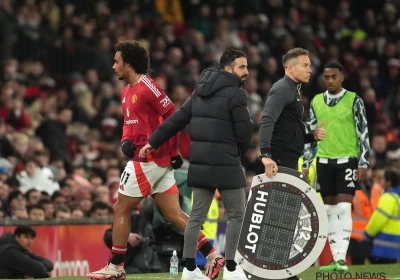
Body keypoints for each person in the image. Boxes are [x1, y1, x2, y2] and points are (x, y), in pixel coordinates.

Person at [86, 40, 222, 280]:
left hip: (148, 160)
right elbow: (129, 125)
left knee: (121, 208)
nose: (113, 66)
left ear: (128, 63)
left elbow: (174, 117)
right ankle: (212, 255)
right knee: (173, 213)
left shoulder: (148, 86)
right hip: (148, 160)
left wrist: (171, 153)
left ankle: (116, 266)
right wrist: (124, 141)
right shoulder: (127, 91)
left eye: (117, 61)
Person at [140, 49, 254, 280]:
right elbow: (245, 134)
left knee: (195, 218)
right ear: (229, 69)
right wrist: (238, 149)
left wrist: (153, 141)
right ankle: (231, 270)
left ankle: (190, 270)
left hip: (200, 165)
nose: (247, 72)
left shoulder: (198, 92)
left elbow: (175, 121)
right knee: (236, 216)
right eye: (242, 67)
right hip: (227, 164)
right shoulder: (236, 95)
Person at [259, 47, 326, 280]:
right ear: (291, 67)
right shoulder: (282, 89)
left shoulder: (293, 90)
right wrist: (265, 154)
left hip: (288, 157)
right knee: (281, 214)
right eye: (305, 65)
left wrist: (310, 136)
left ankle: (278, 269)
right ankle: (274, 270)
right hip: (279, 158)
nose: (310, 69)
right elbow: (267, 119)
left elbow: (287, 126)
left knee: (285, 215)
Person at [302, 62, 371, 271]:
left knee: (343, 207)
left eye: (333, 77)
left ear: (342, 77)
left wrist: (363, 162)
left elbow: (363, 132)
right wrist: (306, 163)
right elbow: (310, 135)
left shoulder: (354, 100)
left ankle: (341, 258)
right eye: (326, 77)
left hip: (347, 159)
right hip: (323, 160)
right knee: (329, 210)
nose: (329, 81)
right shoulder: (316, 101)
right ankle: (335, 259)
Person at [363, 169, 400, 264]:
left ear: (389, 182)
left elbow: (378, 220)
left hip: (383, 247)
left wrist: (367, 234)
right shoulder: (397, 197)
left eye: (383, 179)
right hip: (395, 246)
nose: (381, 181)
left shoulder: (388, 197)